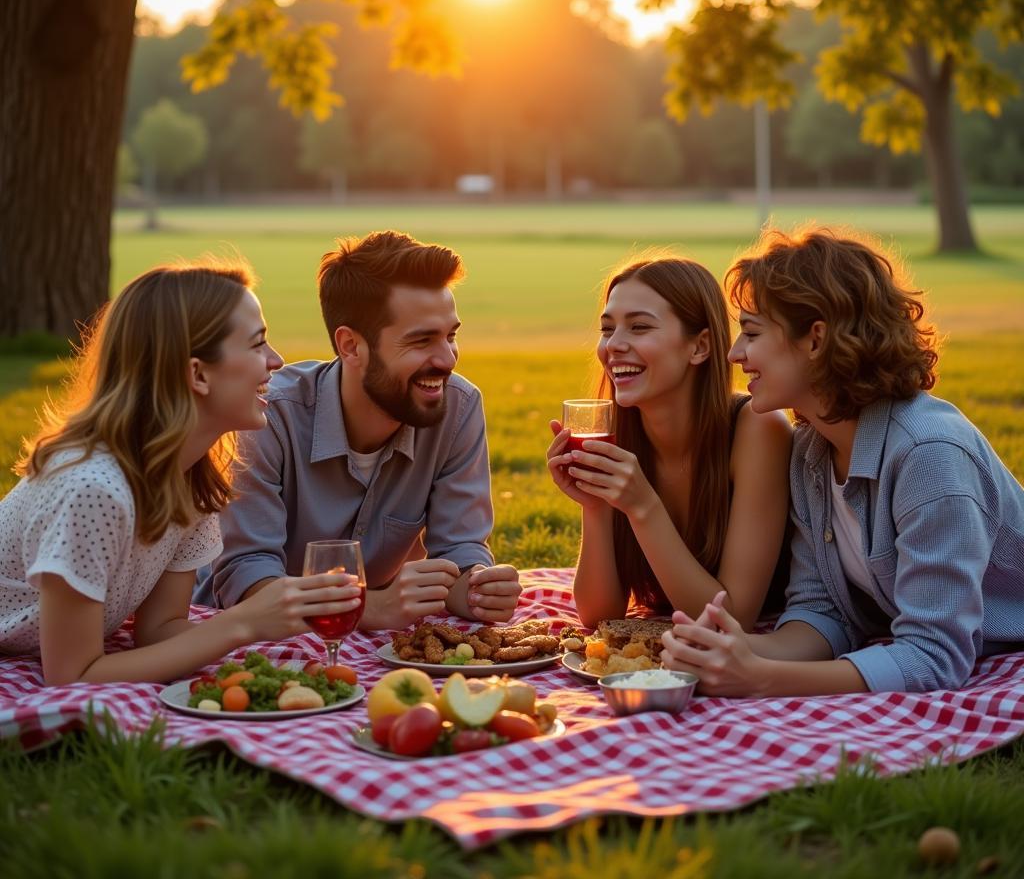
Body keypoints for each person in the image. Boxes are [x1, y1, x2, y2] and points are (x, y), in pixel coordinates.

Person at [662, 226, 1024, 695]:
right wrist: (735, 652)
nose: (735, 354)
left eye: (751, 332)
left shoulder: (929, 455)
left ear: (815, 340)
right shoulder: (812, 451)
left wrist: (761, 678)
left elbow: (936, 658)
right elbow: (823, 609)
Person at [0, 261, 363, 685]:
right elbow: (72, 675)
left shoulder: (191, 479)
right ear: (197, 373)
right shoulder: (92, 488)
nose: (276, 361)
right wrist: (242, 623)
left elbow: (160, 631)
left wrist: (254, 658)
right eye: (257, 344)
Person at [194, 231, 521, 630]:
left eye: (451, 336)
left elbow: (459, 550)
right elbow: (246, 576)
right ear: (350, 346)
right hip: (243, 636)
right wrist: (373, 608)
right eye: (421, 341)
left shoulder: (458, 407)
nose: (447, 358)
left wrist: (477, 590)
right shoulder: (265, 416)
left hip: (372, 644)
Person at [546, 257, 793, 629]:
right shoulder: (619, 437)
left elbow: (729, 619)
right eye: (607, 329)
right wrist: (595, 506)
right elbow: (600, 617)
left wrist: (643, 505)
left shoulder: (757, 428)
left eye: (640, 327)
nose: (614, 345)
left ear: (700, 347)